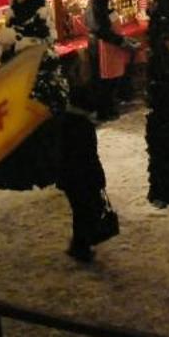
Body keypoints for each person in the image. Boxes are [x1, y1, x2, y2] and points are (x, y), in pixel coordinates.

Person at [56, 109, 114, 262]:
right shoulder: (84, 126)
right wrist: (99, 178)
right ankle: (81, 246)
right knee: (86, 210)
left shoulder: (63, 122)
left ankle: (80, 244)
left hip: (70, 176)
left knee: (79, 209)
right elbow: (90, 155)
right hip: (84, 176)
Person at [85, 0, 131, 122]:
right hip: (102, 44)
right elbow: (101, 28)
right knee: (104, 79)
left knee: (106, 79)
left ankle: (108, 108)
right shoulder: (99, 1)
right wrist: (117, 40)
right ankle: (104, 111)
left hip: (103, 42)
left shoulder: (100, 1)